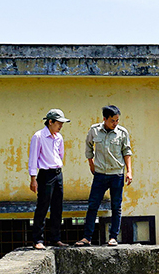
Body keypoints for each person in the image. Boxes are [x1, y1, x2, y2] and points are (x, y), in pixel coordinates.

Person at [75, 105, 132, 247]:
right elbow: (88, 145)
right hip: (100, 174)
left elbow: (127, 152)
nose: (115, 123)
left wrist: (129, 171)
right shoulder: (94, 130)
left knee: (116, 206)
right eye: (113, 120)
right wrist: (90, 162)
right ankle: (87, 237)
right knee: (93, 205)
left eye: (117, 120)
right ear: (105, 119)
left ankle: (113, 237)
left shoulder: (122, 132)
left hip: (116, 174)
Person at [28, 108, 70, 250]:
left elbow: (60, 154)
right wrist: (33, 178)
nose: (60, 126)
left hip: (58, 173)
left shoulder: (59, 137)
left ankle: (55, 238)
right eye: (58, 123)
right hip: (45, 174)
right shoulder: (38, 136)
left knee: (58, 207)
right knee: (43, 206)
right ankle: (37, 239)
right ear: (50, 122)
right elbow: (33, 158)